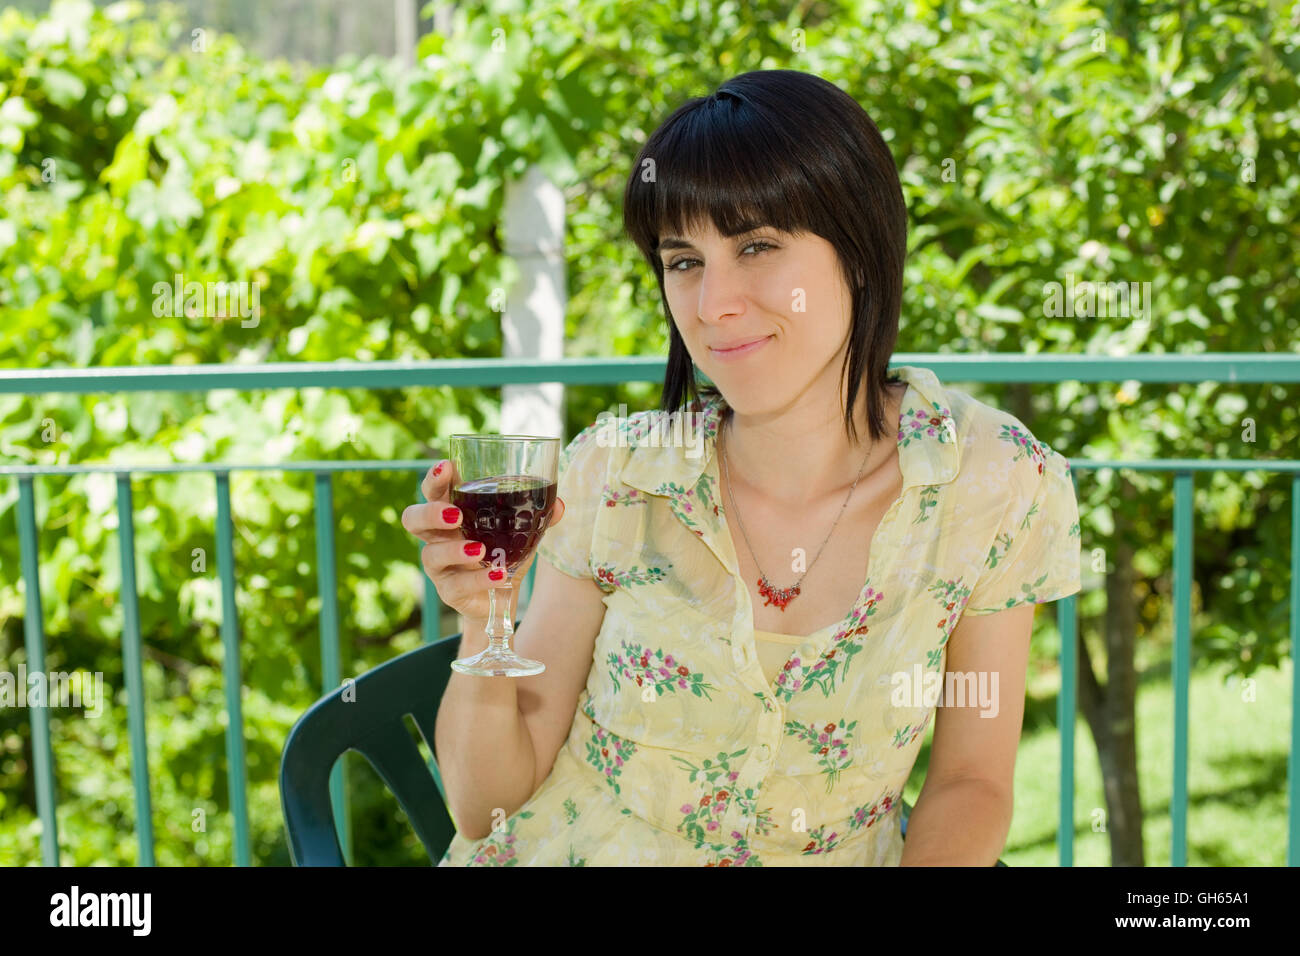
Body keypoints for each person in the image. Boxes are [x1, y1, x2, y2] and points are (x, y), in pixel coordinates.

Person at [402, 69, 1082, 866]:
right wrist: (485, 616)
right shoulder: (614, 476)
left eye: (757, 246)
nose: (713, 303)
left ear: (860, 253)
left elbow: (971, 782)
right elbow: (487, 807)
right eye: (683, 260)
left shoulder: (991, 485)